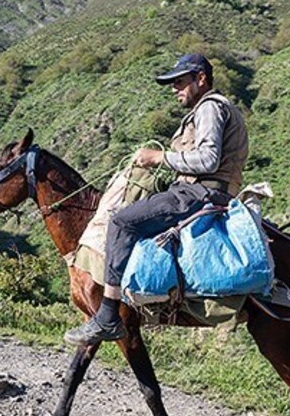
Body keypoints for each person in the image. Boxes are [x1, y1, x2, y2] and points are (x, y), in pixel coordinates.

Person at [64, 53, 249, 345]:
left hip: (198, 194)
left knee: (123, 222)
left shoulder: (210, 108)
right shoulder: (217, 108)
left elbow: (208, 159)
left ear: (201, 79)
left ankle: (109, 315)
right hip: (206, 191)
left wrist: (159, 157)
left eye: (180, 82)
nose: (175, 89)